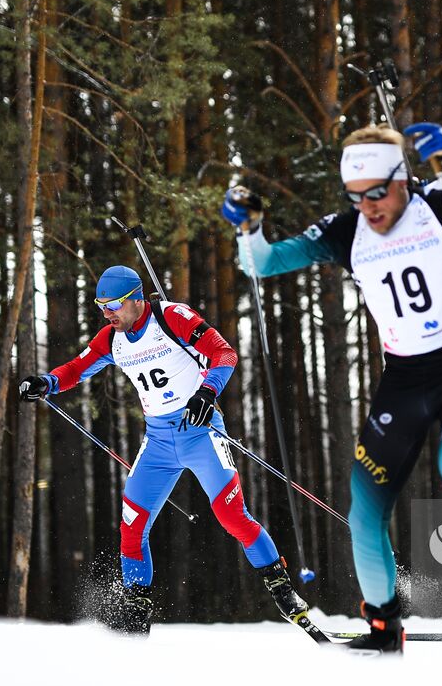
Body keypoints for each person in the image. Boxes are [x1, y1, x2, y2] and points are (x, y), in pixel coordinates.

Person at [220, 122, 442, 655]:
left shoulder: (441, 205)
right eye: (356, 197)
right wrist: (250, 227)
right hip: (404, 378)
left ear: (402, 178)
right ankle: (384, 630)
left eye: (378, 193)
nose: (369, 208)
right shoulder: (346, 230)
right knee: (364, 506)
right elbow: (262, 264)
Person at [18, 265, 311, 636]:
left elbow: (224, 354)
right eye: (100, 305)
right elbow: (78, 369)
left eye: (113, 305)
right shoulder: (112, 339)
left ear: (136, 299)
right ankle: (136, 612)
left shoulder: (172, 317)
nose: (106, 314)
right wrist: (46, 382)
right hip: (157, 442)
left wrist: (208, 392)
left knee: (231, 515)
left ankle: (283, 590)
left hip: (200, 433)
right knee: (132, 524)